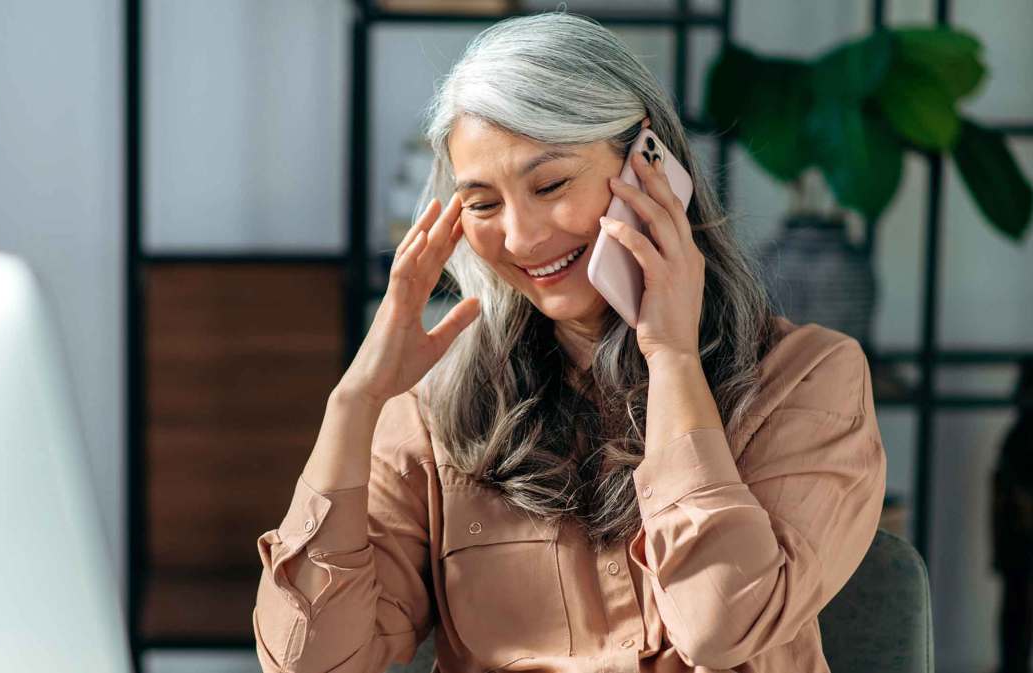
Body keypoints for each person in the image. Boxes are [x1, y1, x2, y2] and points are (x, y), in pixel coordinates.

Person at [252, 10, 887, 673]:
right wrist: (355, 401)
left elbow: (722, 623)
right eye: (483, 204)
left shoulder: (810, 380)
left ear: (651, 162)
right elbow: (311, 662)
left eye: (550, 184)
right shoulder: (432, 418)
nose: (521, 238)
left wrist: (669, 357)